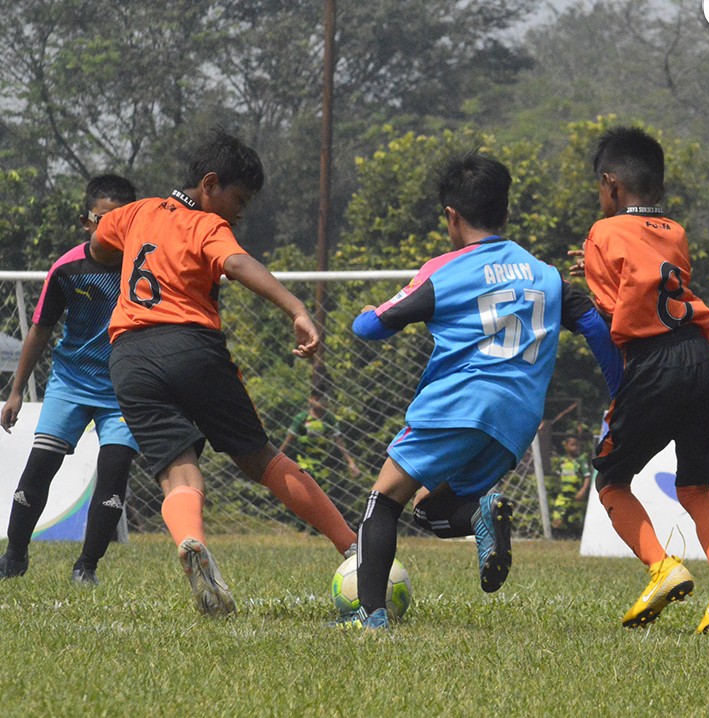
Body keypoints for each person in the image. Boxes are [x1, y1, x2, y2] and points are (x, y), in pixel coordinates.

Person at [345, 152, 620, 631]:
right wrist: (620, 390)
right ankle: (480, 514)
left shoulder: (445, 270)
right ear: (506, 213)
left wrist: (366, 314)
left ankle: (370, 617)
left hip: (457, 404)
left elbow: (371, 327)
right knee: (430, 508)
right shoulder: (546, 274)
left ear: (452, 216)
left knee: (383, 500)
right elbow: (595, 325)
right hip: (515, 422)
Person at [88, 130, 356, 617]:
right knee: (260, 460)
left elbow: (97, 246)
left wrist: (113, 249)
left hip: (128, 356)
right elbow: (236, 262)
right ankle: (353, 547)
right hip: (191, 348)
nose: (240, 212)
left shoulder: (136, 212)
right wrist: (295, 307)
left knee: (177, 469)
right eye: (239, 199)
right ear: (209, 184)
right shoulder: (205, 225)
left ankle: (191, 539)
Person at [576, 126, 709, 634]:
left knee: (611, 482)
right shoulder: (675, 231)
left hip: (653, 365)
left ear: (611, 184)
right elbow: (655, 279)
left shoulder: (601, 233)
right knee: (695, 486)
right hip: (702, 357)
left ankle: (664, 568)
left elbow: (610, 314)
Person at [0, 175, 140, 586]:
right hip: (71, 382)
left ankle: (87, 567)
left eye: (121, 220)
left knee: (114, 472)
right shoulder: (67, 269)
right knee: (41, 465)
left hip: (123, 388)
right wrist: (14, 392)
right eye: (103, 219)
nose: (111, 228)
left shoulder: (144, 266)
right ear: (86, 221)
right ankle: (14, 555)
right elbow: (40, 329)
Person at [280, 386, 361, 519]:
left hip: (323, 464)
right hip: (304, 464)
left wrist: (351, 462)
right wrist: (277, 458)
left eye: (324, 399)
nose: (321, 402)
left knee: (323, 496)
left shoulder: (329, 420)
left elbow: (338, 441)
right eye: (317, 399)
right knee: (304, 494)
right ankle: (301, 524)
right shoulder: (302, 418)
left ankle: (316, 526)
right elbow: (288, 440)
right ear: (310, 400)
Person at [550, 434, 592, 538]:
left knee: (574, 518)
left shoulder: (581, 461)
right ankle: (557, 537)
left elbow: (587, 477)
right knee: (557, 516)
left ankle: (575, 537)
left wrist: (582, 491)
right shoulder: (562, 461)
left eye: (577, 445)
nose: (575, 447)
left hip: (576, 495)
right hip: (563, 495)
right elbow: (557, 476)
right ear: (566, 446)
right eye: (572, 445)